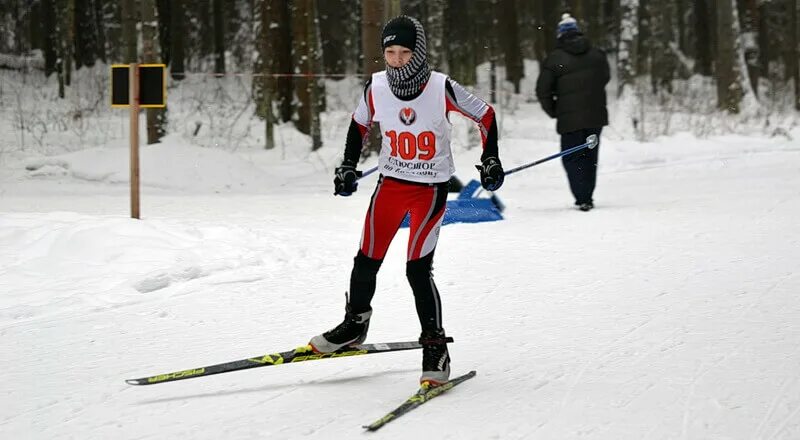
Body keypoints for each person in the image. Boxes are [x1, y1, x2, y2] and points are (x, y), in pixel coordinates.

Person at [309, 15, 503, 385]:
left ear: (418, 53)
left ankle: (435, 346)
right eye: (390, 52)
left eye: (404, 52)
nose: (396, 59)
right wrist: (347, 166)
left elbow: (486, 114)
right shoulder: (377, 86)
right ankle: (354, 325)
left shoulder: (440, 86)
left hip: (429, 190)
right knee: (366, 260)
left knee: (417, 269)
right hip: (390, 185)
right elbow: (359, 124)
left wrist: (490, 158)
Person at [536, 13, 610, 212]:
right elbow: (605, 78)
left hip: (569, 119)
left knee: (572, 157)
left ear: (560, 35)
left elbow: (542, 90)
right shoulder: (597, 54)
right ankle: (587, 196)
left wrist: (555, 111)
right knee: (590, 155)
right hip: (595, 116)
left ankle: (581, 196)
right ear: (578, 31)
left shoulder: (555, 59)